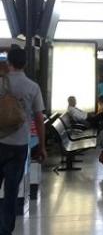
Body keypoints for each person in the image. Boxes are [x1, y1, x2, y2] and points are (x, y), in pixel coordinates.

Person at [0, 47, 46, 235]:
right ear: (25, 63)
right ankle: (5, 231)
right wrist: (42, 146)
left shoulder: (1, 82)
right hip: (19, 146)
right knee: (11, 192)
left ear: (8, 62)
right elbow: (39, 119)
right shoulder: (32, 87)